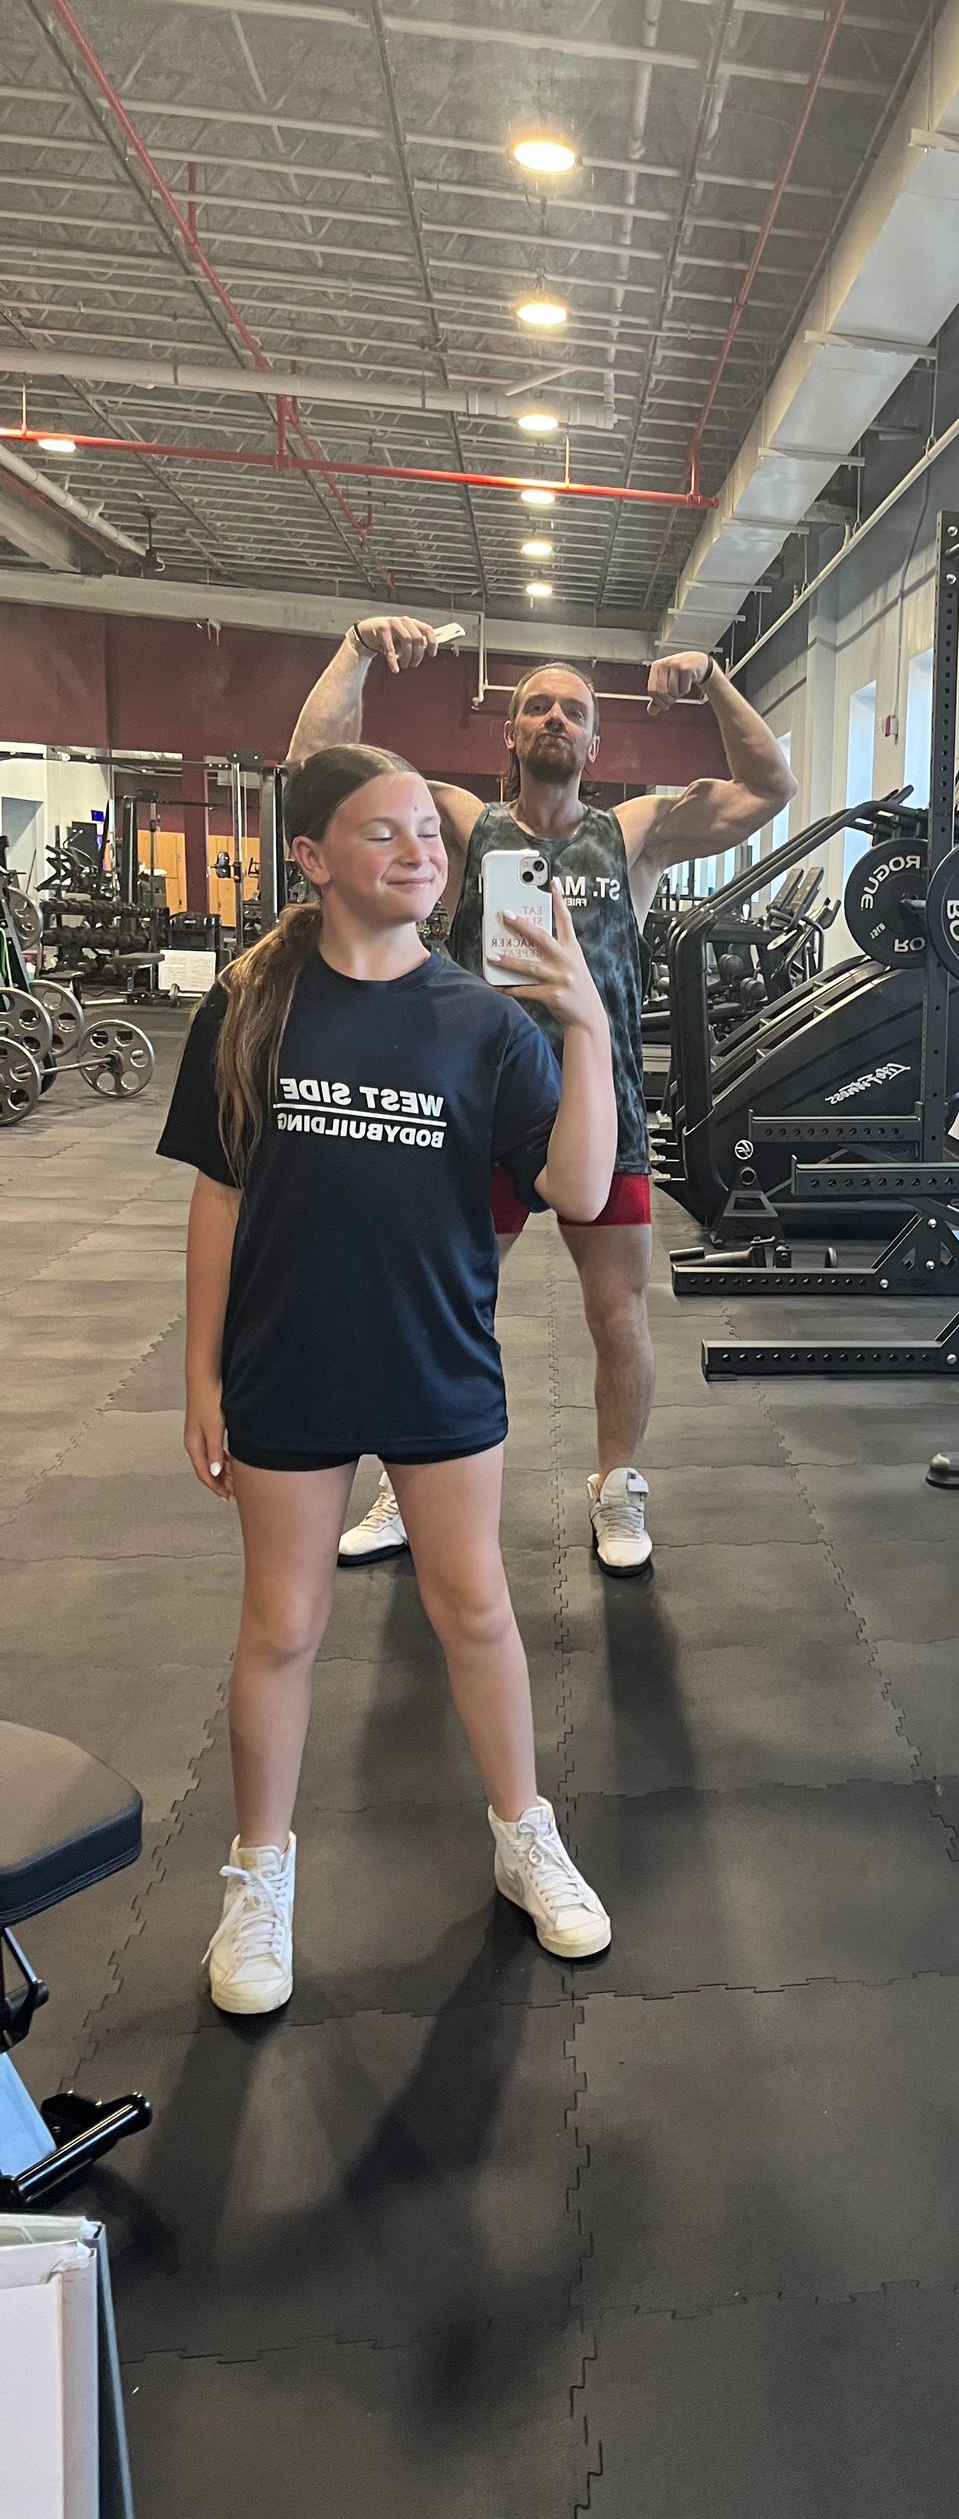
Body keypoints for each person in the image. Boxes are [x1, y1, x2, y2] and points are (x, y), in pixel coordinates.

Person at [157, 743, 617, 2017]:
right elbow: (218, 1195)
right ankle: (260, 1878)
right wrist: (198, 1374)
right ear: (308, 857)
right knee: (283, 1627)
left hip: (436, 1360)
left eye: (431, 830)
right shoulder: (249, 1005)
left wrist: (583, 1019)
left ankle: (524, 1833)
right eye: (384, 833)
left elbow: (579, 1188)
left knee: (476, 1612)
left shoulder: (484, 1021)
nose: (423, 851)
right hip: (287, 1364)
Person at [287, 623, 796, 1580]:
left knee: (618, 1314)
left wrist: (717, 681)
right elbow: (317, 768)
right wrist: (356, 650)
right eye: (536, 707)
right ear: (509, 737)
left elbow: (771, 790)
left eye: (574, 710)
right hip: (477, 1104)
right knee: (439, 1308)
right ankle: (413, 1474)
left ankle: (616, 1486)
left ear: (595, 744)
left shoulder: (636, 831)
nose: (554, 718)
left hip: (603, 1108)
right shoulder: (462, 825)